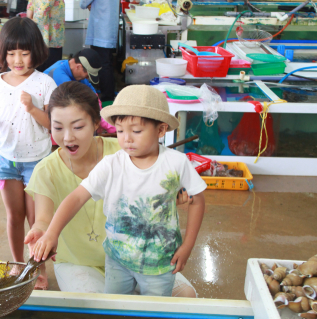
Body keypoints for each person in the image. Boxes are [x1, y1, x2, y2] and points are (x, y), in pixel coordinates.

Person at [24, 82, 198, 297]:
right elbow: (44, 217)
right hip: (80, 262)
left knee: (185, 296)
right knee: (100, 311)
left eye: (78, 127)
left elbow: (169, 184)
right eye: (58, 127)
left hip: (140, 253)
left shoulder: (127, 150)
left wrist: (172, 196)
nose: (67, 137)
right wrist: (43, 232)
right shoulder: (46, 170)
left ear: (96, 123)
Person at [0, 17, 56, 289]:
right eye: (11, 53)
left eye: (24, 53)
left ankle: (39, 267)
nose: (18, 59)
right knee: (14, 216)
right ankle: (17, 263)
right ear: (3, 53)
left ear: (36, 51)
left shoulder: (44, 83)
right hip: (7, 158)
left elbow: (53, 125)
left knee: (36, 219)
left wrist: (33, 108)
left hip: (37, 160)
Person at [44, 48, 115, 133]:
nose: (87, 78)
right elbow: (79, 103)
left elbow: (93, 95)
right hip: (47, 121)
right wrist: (105, 124)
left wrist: (101, 115)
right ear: (78, 67)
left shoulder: (74, 71)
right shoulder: (59, 75)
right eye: (87, 75)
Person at [80, 0, 120, 102]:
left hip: (100, 30)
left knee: (101, 64)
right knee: (107, 62)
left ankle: (106, 97)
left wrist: (90, 1)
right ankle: (108, 94)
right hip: (109, 30)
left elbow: (83, 2)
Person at [27, 0, 77, 72]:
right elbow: (41, 12)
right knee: (50, 73)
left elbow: (31, 2)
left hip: (41, 39)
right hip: (49, 40)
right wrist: (34, 32)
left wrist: (30, 26)